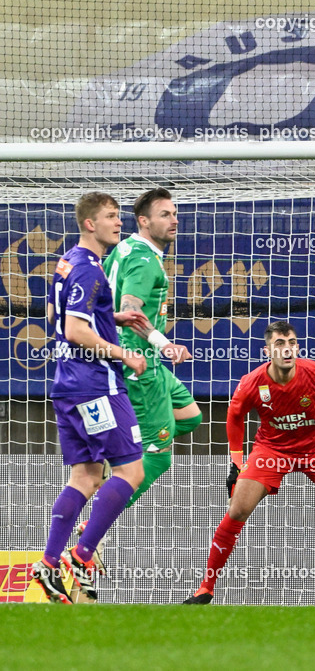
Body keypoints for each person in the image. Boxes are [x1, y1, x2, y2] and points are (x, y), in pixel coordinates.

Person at [183, 321, 315, 605]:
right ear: (267, 350)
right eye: (280, 344)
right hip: (272, 450)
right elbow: (234, 417)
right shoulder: (252, 383)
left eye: (292, 343)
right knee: (237, 510)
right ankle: (205, 587)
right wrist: (236, 464)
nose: (287, 349)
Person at [32, 192, 149, 604]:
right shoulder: (90, 270)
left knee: (85, 476)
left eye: (119, 217)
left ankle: (47, 564)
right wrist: (124, 353)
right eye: (111, 217)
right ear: (89, 224)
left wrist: (109, 317)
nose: (119, 223)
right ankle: (81, 556)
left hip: (66, 383)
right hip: (97, 384)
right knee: (131, 472)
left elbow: (54, 318)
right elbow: (76, 331)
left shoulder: (67, 263)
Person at [102, 187, 201, 507]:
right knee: (158, 457)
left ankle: (119, 459)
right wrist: (164, 343)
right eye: (165, 215)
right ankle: (93, 532)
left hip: (142, 360)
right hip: (138, 362)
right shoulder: (145, 261)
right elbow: (131, 309)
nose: (174, 220)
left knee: (190, 417)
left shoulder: (125, 248)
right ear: (144, 221)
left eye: (174, 213)